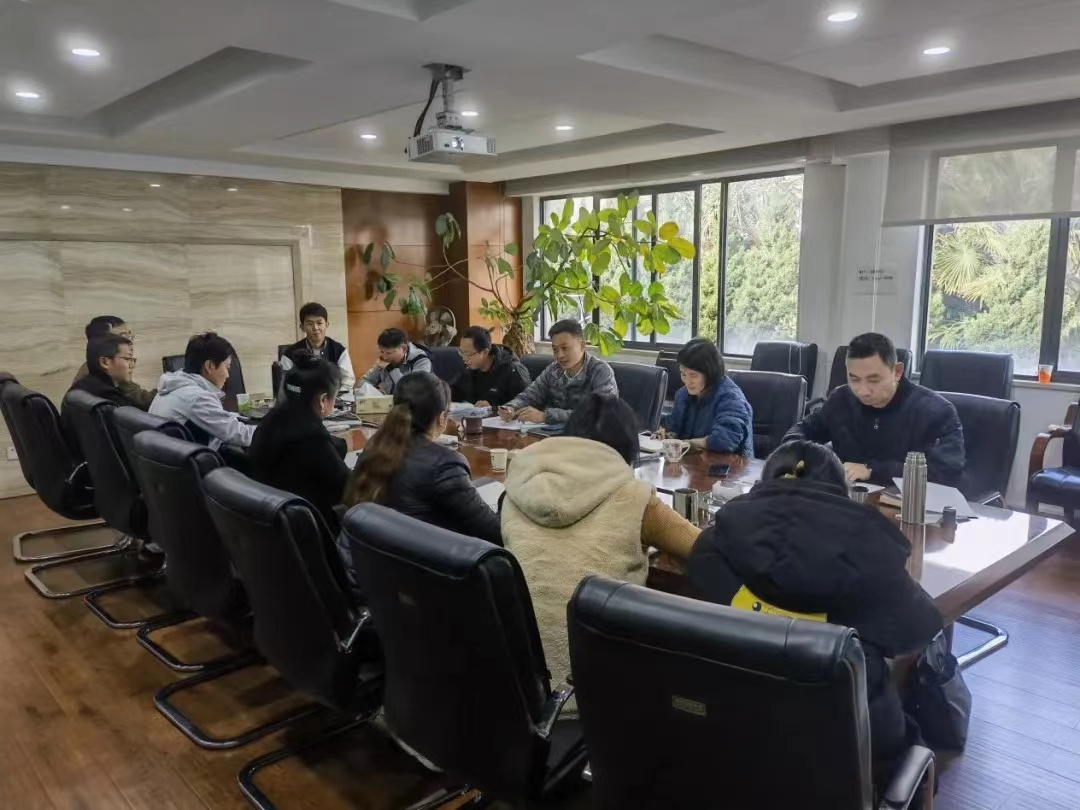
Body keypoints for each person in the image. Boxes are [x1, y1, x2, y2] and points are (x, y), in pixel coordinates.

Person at [686, 439, 942, 796]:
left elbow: (704, 577)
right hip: (846, 747)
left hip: (736, 732)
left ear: (765, 481)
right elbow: (921, 625)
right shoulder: (871, 552)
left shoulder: (717, 541)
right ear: (841, 490)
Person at [501, 393, 701, 696]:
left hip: (518, 686)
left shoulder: (518, 487)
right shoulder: (635, 498)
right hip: (597, 692)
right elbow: (701, 547)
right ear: (627, 446)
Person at [342, 371, 501, 547]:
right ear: (442, 418)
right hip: (427, 560)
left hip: (372, 556)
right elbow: (495, 533)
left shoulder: (375, 446)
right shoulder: (446, 464)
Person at [784, 332, 964, 486]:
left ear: (897, 372)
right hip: (845, 500)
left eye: (874, 380)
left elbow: (946, 472)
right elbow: (802, 430)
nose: (863, 390)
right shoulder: (841, 399)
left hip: (905, 506)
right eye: (854, 379)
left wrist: (872, 470)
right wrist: (798, 454)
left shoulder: (936, 412)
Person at [249, 352, 349, 533]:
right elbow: (347, 487)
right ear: (323, 400)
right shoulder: (312, 436)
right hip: (308, 532)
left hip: (270, 526)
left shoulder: (271, 419)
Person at [149, 332, 256, 449]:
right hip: (195, 459)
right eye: (227, 367)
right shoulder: (197, 397)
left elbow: (216, 417)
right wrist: (269, 432)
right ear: (209, 366)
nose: (228, 375)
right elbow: (239, 435)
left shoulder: (172, 385)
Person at [500, 319, 618, 425]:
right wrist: (510, 408)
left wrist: (545, 416)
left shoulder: (601, 371)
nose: (559, 355)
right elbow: (530, 395)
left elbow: (601, 413)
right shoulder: (553, 370)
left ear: (582, 345)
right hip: (552, 434)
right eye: (555, 350)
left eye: (565, 348)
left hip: (589, 437)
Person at [661, 338, 753, 456]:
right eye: (683, 374)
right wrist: (666, 433)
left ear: (710, 372)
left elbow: (725, 441)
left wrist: (686, 443)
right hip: (691, 463)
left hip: (727, 465)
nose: (687, 382)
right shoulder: (683, 394)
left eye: (693, 375)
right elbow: (673, 426)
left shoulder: (731, 398)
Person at [62, 334, 140, 437]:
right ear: (105, 362)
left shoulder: (81, 386)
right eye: (127, 359)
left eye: (133, 360)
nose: (132, 365)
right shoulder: (109, 397)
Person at [72, 315, 156, 408]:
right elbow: (145, 403)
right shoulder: (105, 375)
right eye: (123, 336)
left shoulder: (96, 368)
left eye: (130, 336)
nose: (130, 342)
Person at [280, 302, 355, 394]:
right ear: (302, 327)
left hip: (333, 400)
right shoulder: (290, 354)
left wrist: (333, 398)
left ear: (327, 324)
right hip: (301, 400)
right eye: (310, 324)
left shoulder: (339, 350)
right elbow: (283, 384)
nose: (315, 328)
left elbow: (348, 382)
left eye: (319, 323)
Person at [450, 325, 531, 408]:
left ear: (485, 352)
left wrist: (495, 408)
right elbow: (453, 392)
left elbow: (527, 405)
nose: (464, 358)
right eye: (461, 352)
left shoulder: (513, 370)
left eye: (468, 354)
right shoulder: (470, 367)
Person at [360, 328, 432, 395]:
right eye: (382, 352)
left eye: (389, 353)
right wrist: (374, 391)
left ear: (403, 349)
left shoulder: (421, 361)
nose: (385, 357)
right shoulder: (384, 359)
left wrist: (392, 369)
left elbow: (412, 391)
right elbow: (364, 382)